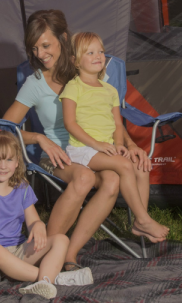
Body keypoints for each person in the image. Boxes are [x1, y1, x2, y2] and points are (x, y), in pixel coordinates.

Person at [1, 9, 124, 269]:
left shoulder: (88, 72)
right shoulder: (35, 84)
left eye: (46, 45)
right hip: (58, 155)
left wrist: (131, 146)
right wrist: (38, 138)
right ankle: (44, 250)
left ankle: (69, 253)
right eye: (34, 48)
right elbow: (2, 130)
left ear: (63, 39)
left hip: (95, 150)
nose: (40, 54)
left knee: (113, 180)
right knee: (84, 177)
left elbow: (112, 118)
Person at [0, 131, 94, 299]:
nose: (3, 166)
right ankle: (54, 278)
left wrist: (38, 226)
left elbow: (33, 220)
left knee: (61, 239)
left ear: (17, 162)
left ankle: (44, 282)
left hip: (17, 250)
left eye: (9, 160)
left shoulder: (22, 188)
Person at [60, 31, 169, 243]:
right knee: (125, 166)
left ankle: (140, 222)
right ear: (75, 61)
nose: (98, 56)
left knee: (140, 165)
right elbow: (70, 124)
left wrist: (119, 145)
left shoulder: (110, 90)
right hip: (83, 150)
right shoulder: (73, 87)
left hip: (106, 147)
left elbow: (118, 124)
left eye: (100, 51)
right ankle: (143, 219)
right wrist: (97, 144)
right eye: (90, 52)